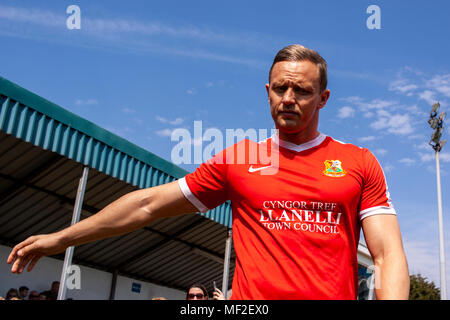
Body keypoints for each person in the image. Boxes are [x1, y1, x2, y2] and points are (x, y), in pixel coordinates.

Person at [6, 44, 409, 300]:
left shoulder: (359, 162)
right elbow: (147, 205)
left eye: (301, 91)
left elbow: (387, 254)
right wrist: (61, 237)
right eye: (279, 88)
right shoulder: (238, 160)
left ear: (322, 99)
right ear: (266, 90)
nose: (289, 99)